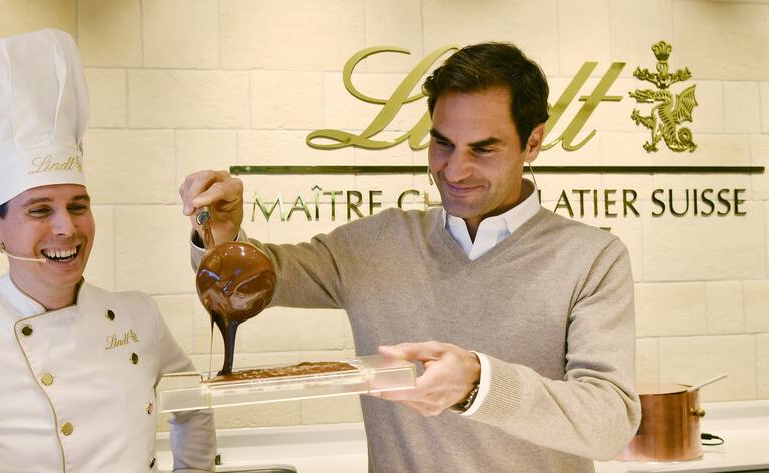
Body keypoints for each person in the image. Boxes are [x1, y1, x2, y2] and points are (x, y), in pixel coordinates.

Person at [181, 42, 640, 472]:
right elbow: (258, 279)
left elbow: (609, 423)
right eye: (442, 143)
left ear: (533, 142)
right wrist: (219, 231)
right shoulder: (375, 244)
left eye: (483, 149)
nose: (454, 170)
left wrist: (478, 383)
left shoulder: (591, 258)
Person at [0, 29, 216, 472]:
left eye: (78, 205)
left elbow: (193, 405)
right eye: (40, 210)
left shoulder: (139, 317)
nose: (67, 227)